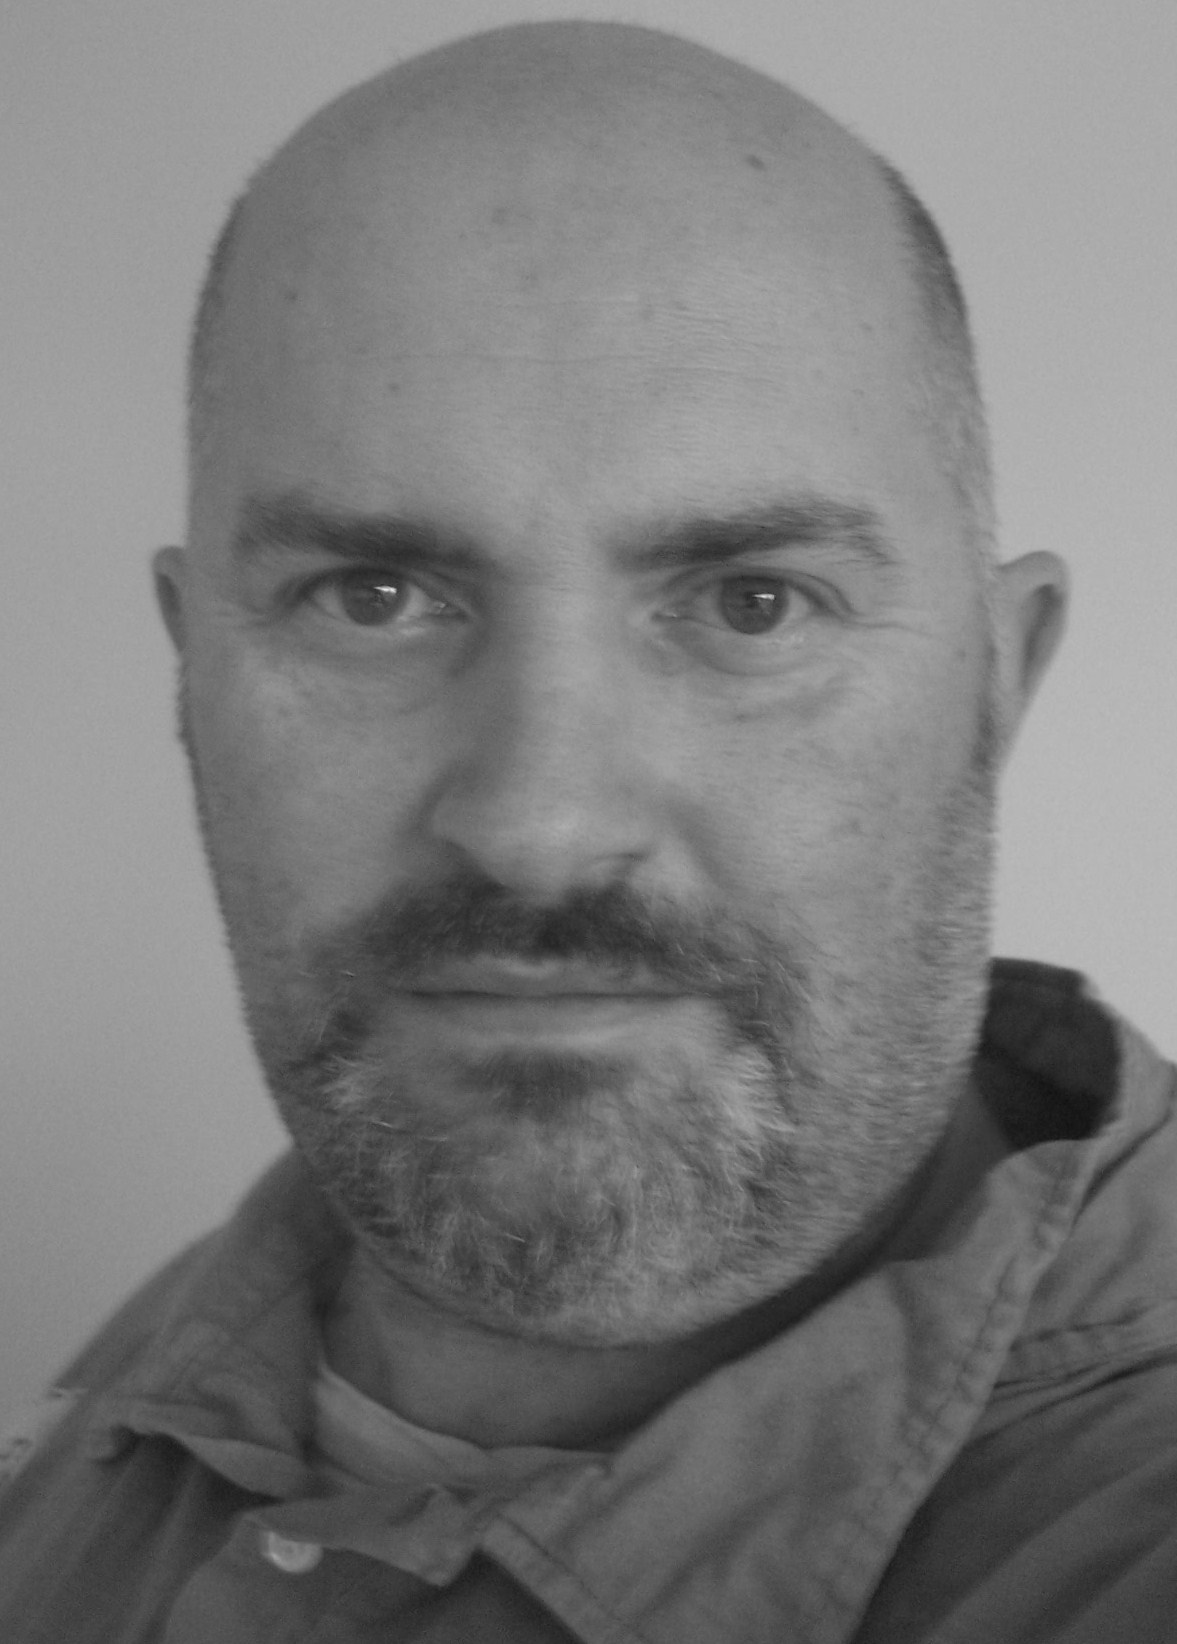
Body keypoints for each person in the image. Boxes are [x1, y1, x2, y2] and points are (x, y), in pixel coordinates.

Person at [1, 19, 1174, 1642]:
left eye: (751, 603)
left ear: (999, 677)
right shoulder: (137, 1378)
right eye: (372, 598)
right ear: (190, 672)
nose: (537, 829)